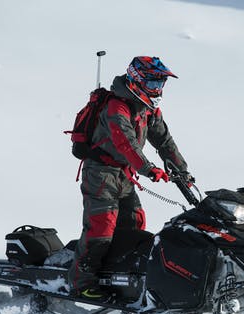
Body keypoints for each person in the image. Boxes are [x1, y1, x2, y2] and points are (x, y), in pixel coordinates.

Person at [68, 56, 193, 301]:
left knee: (134, 224)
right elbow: (125, 143)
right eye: (153, 84)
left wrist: (182, 171)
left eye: (160, 85)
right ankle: (81, 284)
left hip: (124, 174)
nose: (158, 90)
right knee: (101, 229)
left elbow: (165, 142)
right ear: (137, 80)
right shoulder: (118, 106)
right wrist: (148, 169)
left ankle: (119, 277)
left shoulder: (148, 109)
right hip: (101, 173)